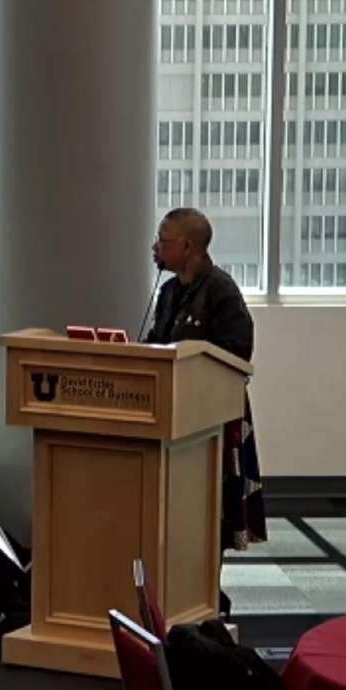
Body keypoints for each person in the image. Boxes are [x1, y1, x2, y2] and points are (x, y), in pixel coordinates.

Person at [145, 207, 266, 611]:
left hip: (213, 424)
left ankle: (205, 594)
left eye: (163, 240)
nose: (155, 247)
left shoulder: (221, 290)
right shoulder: (167, 293)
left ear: (187, 246)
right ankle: (174, 589)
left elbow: (237, 356)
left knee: (211, 513)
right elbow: (153, 347)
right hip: (171, 420)